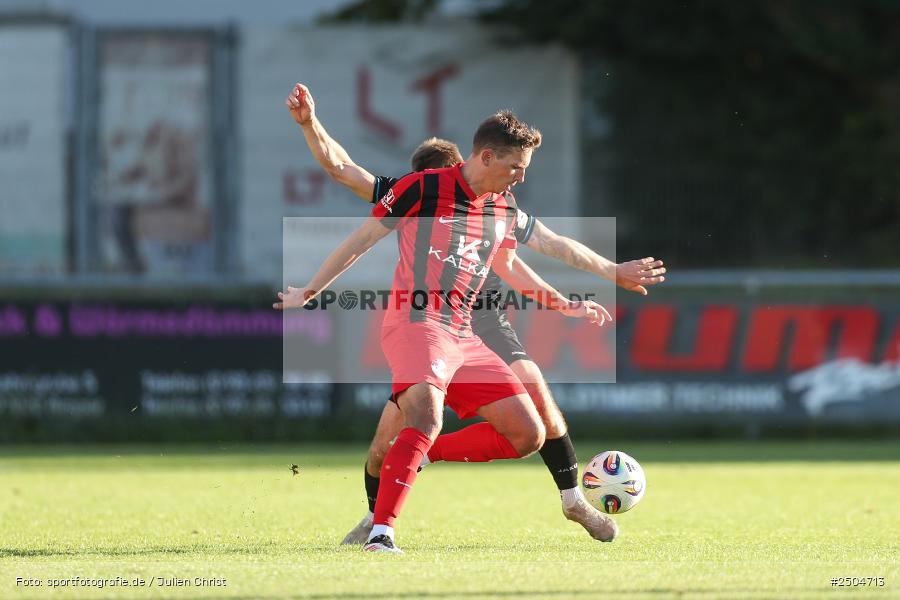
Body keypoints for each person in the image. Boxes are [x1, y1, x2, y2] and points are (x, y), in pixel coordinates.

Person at [284, 83, 667, 546]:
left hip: (470, 330)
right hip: (419, 322)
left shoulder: (502, 206)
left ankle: (429, 465)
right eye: (516, 168)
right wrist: (311, 289)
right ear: (484, 157)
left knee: (528, 432)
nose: (521, 178)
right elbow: (352, 204)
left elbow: (543, 248)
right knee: (415, 426)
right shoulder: (418, 190)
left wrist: (610, 272)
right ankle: (380, 531)